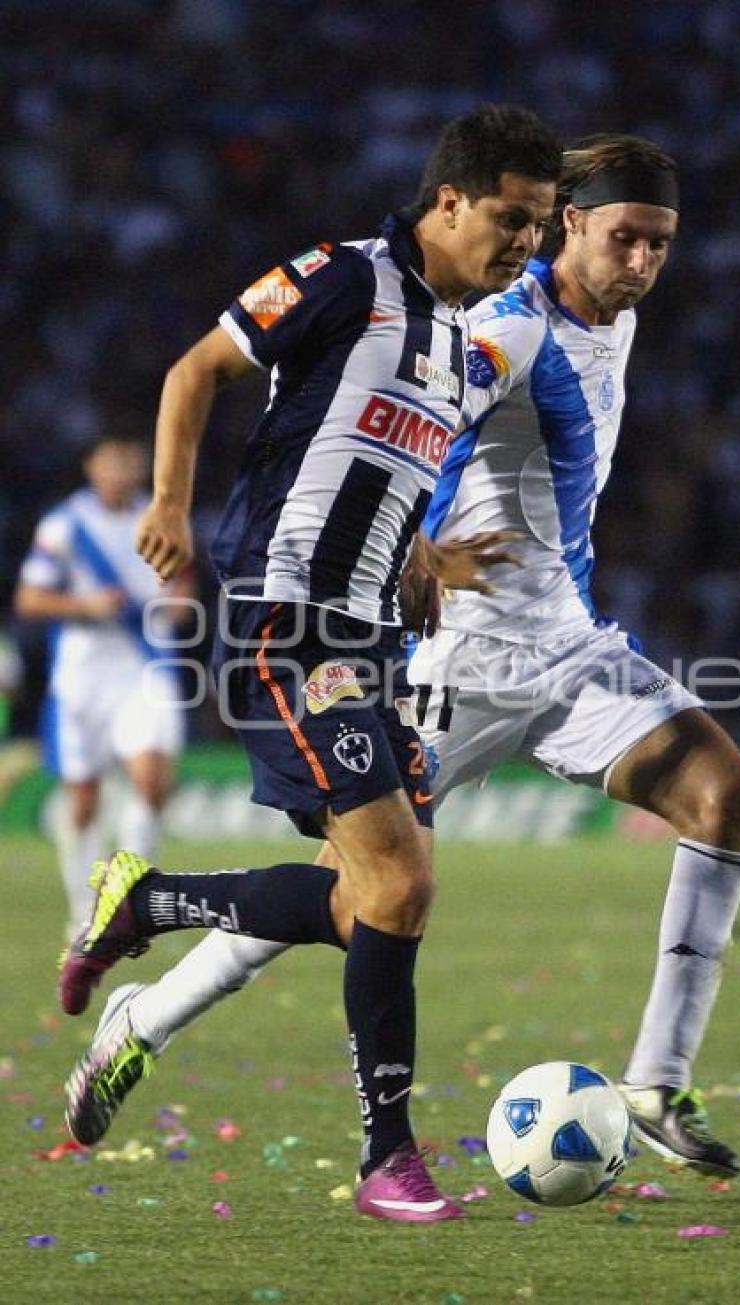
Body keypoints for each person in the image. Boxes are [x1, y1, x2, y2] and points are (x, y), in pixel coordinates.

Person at [64, 134, 740, 1182]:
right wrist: (418, 548)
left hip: (568, 651)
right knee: (362, 897)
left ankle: (653, 1084)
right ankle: (141, 1022)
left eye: (659, 244)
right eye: (623, 238)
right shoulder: (505, 329)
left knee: (727, 801)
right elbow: (419, 425)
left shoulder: (607, 323)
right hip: (459, 661)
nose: (642, 263)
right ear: (570, 227)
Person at [58, 103, 563, 1224]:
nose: (527, 243)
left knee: (372, 902)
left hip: (372, 637)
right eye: (513, 219)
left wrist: (421, 553)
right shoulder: (345, 276)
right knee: (402, 884)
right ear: (449, 200)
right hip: (285, 623)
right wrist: (171, 506)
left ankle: (150, 900)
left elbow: (367, 466)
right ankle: (387, 1155)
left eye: (541, 225)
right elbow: (198, 370)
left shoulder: (453, 345)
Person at [14, 435, 187, 939]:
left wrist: (177, 605)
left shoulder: (158, 518)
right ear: (91, 465)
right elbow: (29, 598)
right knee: (84, 798)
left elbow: (181, 581)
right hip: (83, 680)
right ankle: (83, 912)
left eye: (131, 461)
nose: (121, 471)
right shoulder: (65, 526)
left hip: (146, 671)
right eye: (112, 461)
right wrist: (85, 607)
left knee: (153, 782)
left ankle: (128, 900)